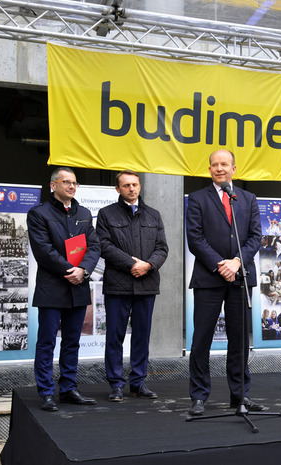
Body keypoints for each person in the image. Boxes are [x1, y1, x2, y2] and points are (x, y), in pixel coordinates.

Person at [186, 148, 265, 416]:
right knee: (201, 339)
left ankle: (240, 395)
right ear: (209, 169)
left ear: (234, 169)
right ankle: (199, 396)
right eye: (214, 165)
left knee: (239, 340)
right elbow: (195, 238)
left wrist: (237, 263)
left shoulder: (247, 199)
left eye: (224, 164)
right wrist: (222, 264)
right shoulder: (197, 199)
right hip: (209, 277)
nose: (219, 168)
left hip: (240, 278)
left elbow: (255, 237)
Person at [27, 167, 100, 412]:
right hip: (52, 287)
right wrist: (70, 270)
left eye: (74, 183)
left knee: (72, 342)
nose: (71, 186)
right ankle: (47, 392)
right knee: (47, 342)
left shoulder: (84, 214)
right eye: (66, 182)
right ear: (53, 185)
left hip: (78, 287)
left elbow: (94, 246)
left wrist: (84, 270)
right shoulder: (39, 213)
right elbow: (43, 250)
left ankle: (68, 389)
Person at [96, 170, 169, 402]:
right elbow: (104, 245)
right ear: (118, 189)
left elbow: (162, 248)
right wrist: (132, 264)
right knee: (114, 336)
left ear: (140, 186)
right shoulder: (106, 214)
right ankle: (116, 384)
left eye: (135, 184)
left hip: (146, 283)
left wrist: (148, 265)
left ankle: (138, 383)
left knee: (141, 336)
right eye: (126, 185)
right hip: (118, 285)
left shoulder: (153, 215)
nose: (132, 188)